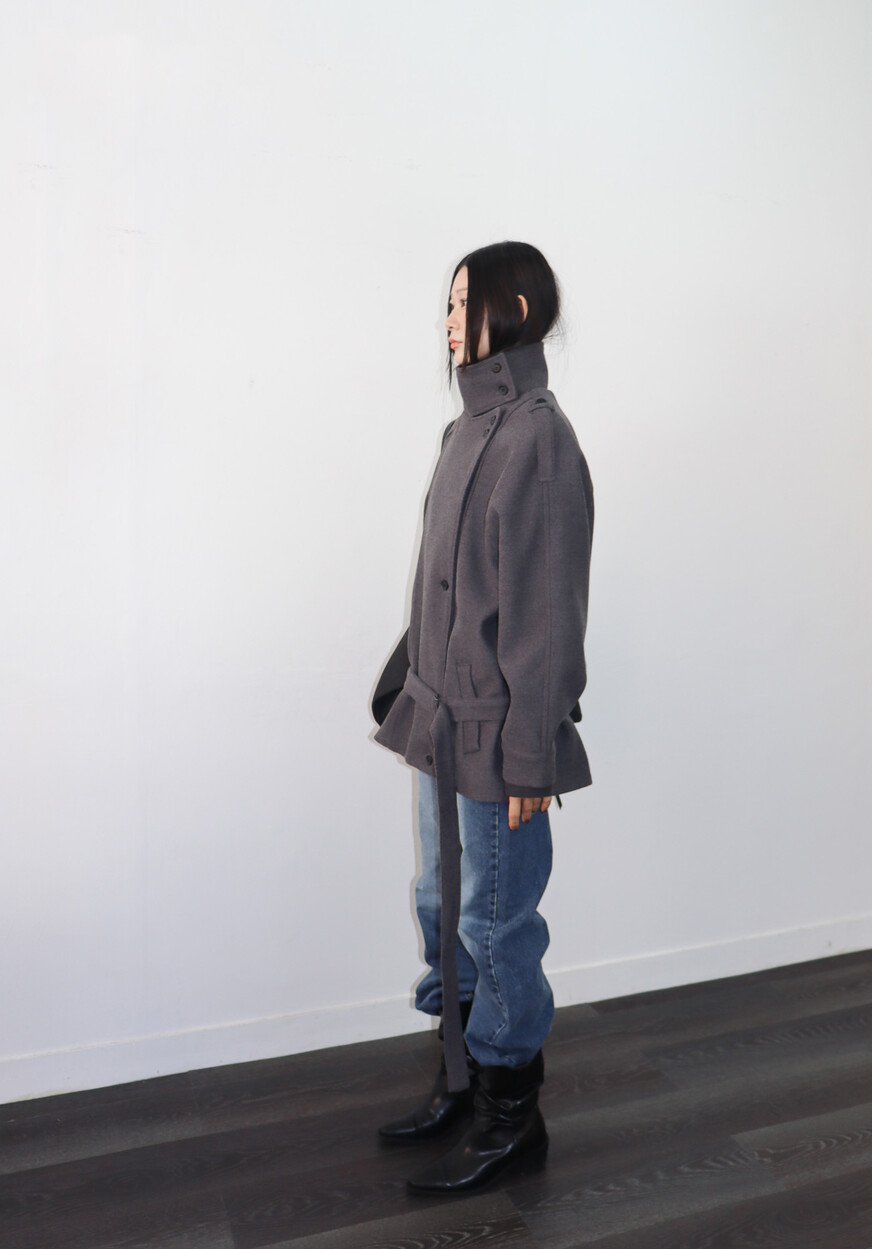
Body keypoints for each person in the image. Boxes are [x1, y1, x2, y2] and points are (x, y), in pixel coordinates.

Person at [370, 240, 594, 1193]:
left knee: (496, 920)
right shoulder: (464, 428)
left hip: (502, 738)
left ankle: (512, 1111)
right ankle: (461, 1076)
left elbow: (546, 611)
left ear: (518, 309)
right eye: (450, 303)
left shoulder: (539, 438)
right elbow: (444, 583)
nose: (450, 319)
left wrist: (533, 757)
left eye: (464, 302)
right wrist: (408, 682)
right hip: (439, 720)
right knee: (440, 904)